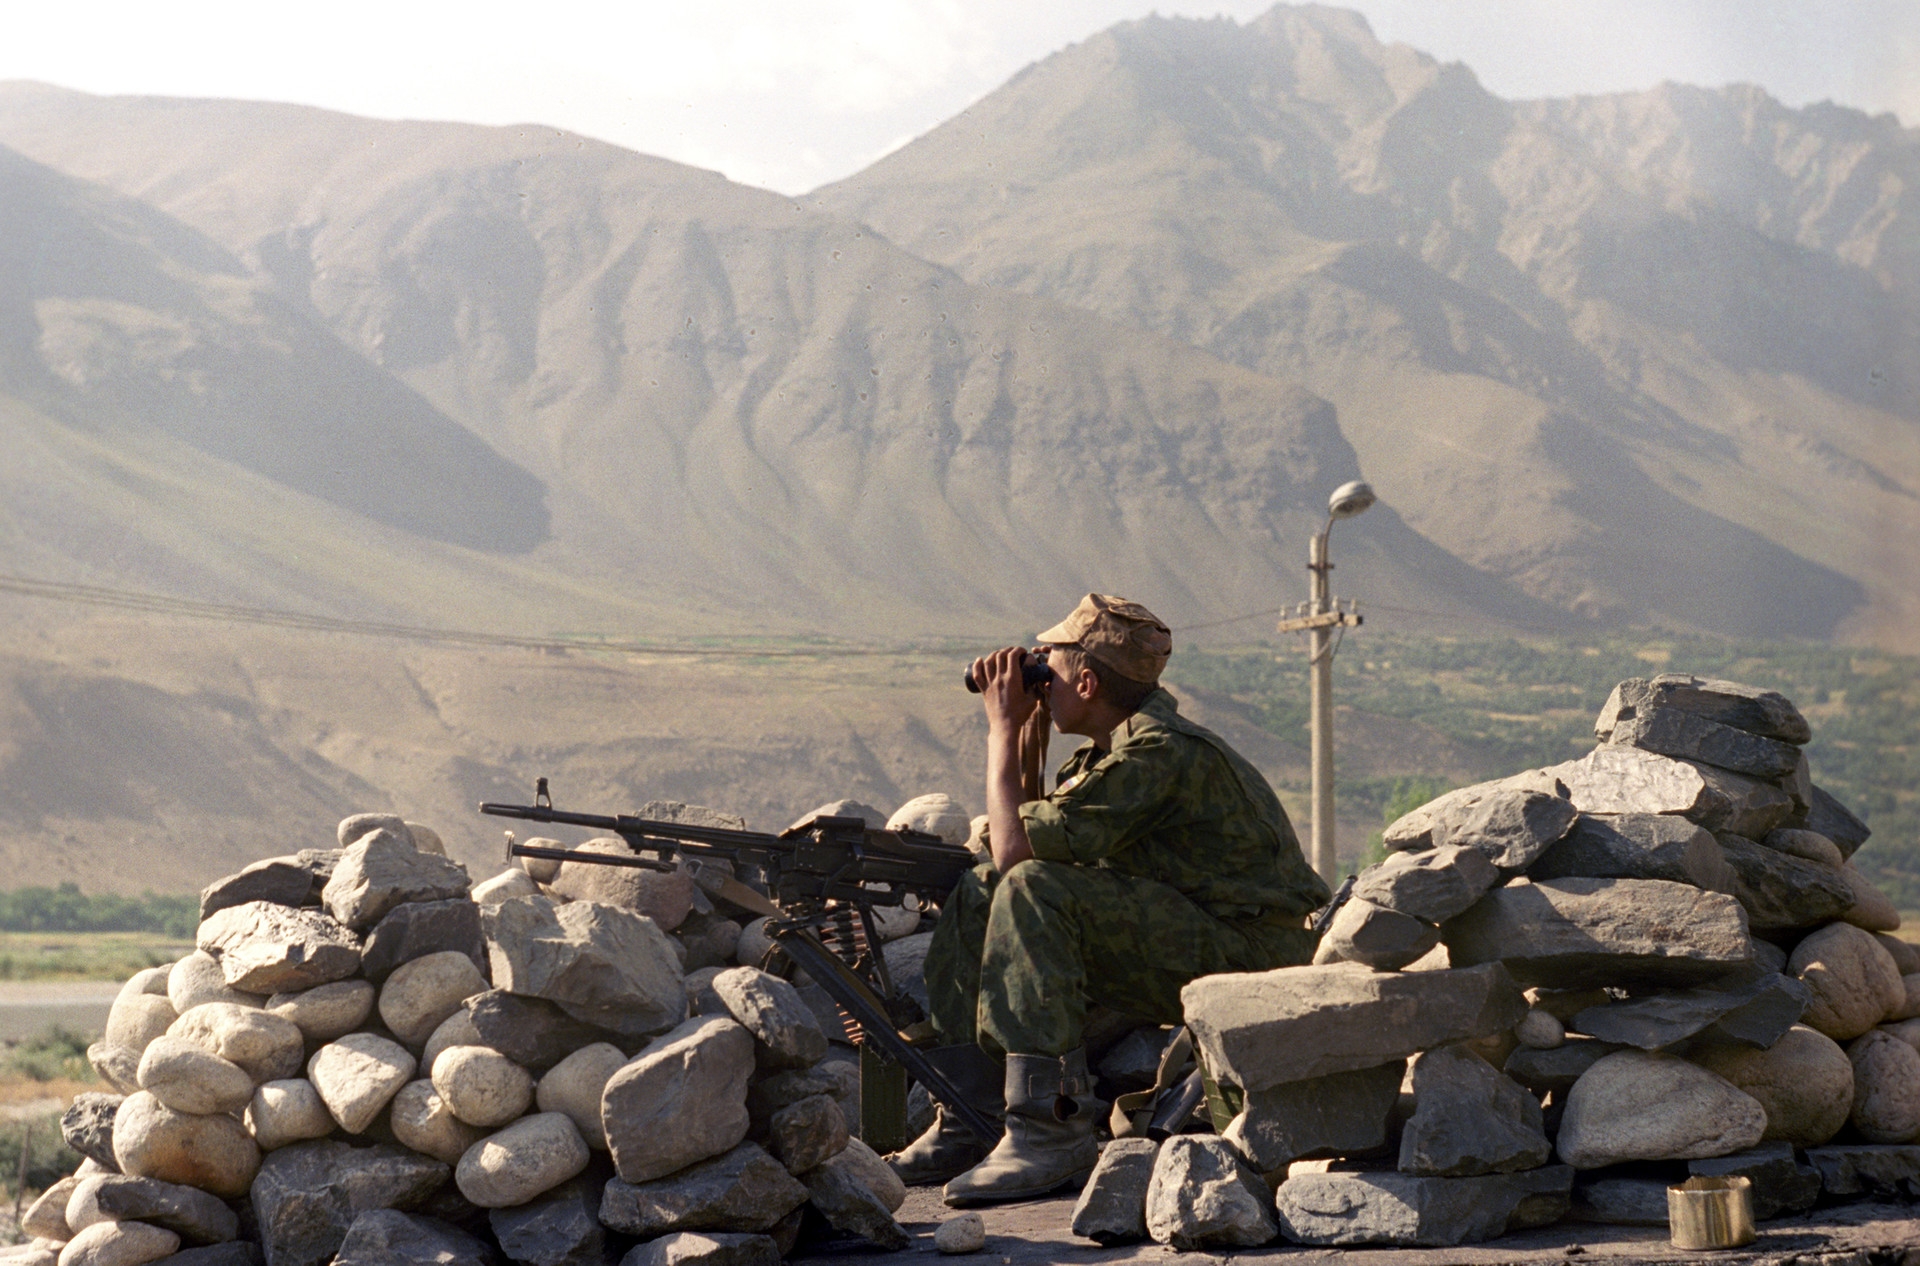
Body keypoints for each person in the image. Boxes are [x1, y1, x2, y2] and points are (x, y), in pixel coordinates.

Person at [889, 593, 1330, 1205]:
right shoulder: (1112, 753)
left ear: (1088, 682)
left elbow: (1023, 857)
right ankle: (971, 1117)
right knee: (983, 887)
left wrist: (1002, 727)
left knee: (1028, 887)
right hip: (1201, 933)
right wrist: (1027, 735)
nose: (1037, 679)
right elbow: (1015, 841)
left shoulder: (1161, 751)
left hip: (1256, 951)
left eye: (1049, 669)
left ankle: (1049, 1133)